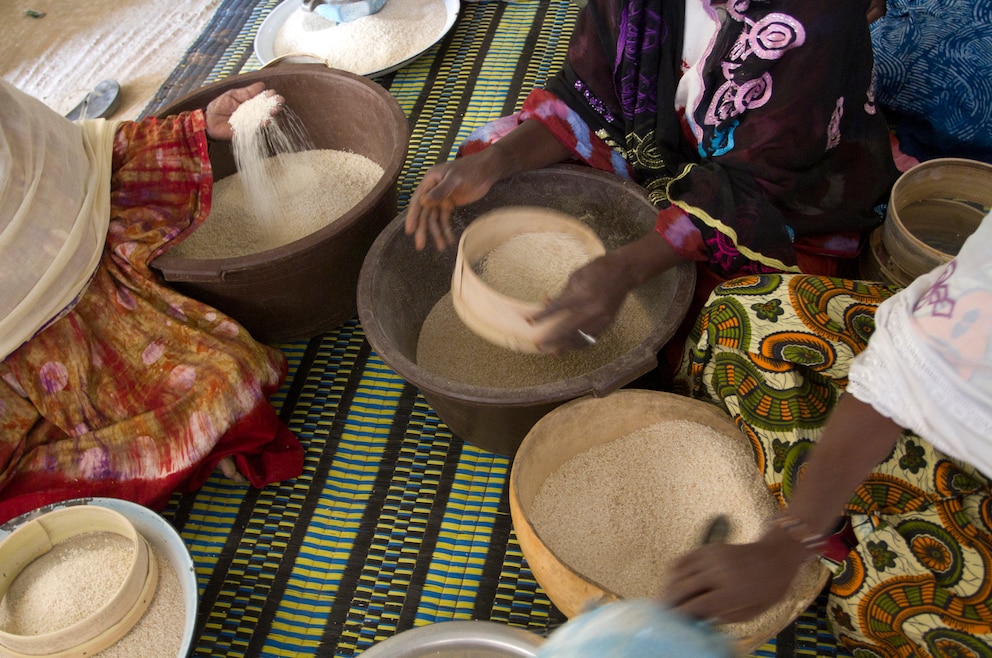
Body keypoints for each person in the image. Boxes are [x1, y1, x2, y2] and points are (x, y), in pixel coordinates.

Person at [405, 0, 900, 357]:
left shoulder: (816, 17)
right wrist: (497, 163)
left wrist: (623, 270)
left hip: (778, 189)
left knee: (743, 331)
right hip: (658, 138)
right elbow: (587, 92)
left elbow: (761, 188)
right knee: (485, 152)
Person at [662, 213, 992, 655]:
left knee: (872, 607)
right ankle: (851, 523)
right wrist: (790, 539)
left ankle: (861, 533)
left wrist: (784, 549)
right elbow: (900, 372)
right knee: (741, 317)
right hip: (957, 378)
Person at [0, 79, 304, 524]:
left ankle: (182, 439)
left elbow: (83, 159)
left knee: (226, 377)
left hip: (99, 299)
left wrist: (193, 130)